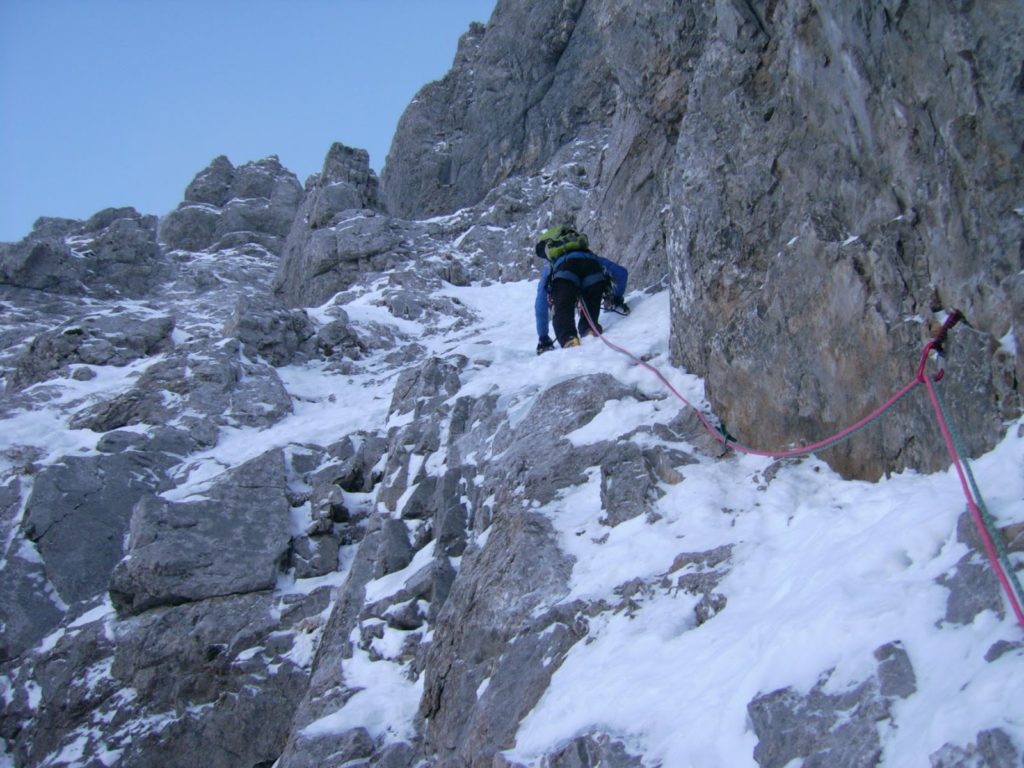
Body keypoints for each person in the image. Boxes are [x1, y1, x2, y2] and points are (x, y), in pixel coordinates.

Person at [533, 226, 630, 355]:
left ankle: (569, 340)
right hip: (592, 269)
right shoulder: (589, 255)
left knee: (563, 312)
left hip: (565, 272)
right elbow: (621, 273)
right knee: (590, 319)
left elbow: (541, 301)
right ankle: (589, 330)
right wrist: (616, 299)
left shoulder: (552, 264)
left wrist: (543, 337)